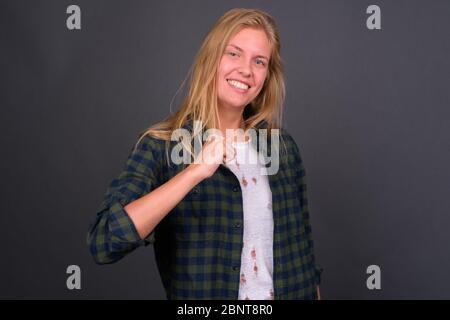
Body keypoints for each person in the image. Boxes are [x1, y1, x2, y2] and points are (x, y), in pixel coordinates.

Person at [87, 8, 322, 300]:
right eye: (234, 53)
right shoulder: (161, 146)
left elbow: (304, 257)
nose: (246, 70)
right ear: (211, 58)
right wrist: (194, 172)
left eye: (259, 61)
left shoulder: (282, 148)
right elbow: (105, 240)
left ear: (267, 76)